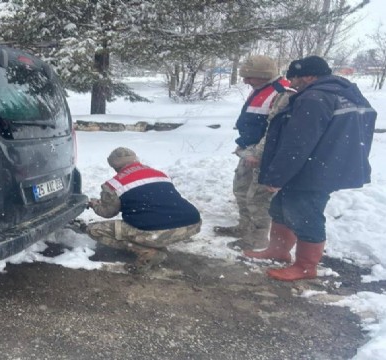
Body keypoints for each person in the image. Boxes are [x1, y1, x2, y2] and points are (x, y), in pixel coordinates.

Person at [245, 55, 377, 281]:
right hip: (329, 164)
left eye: (293, 78)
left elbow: (297, 143)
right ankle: (278, 251)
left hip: (312, 168)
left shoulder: (314, 98)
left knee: (305, 213)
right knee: (281, 207)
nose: (291, 83)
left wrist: (276, 176)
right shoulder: (347, 94)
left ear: (308, 76)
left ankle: (306, 267)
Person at [214, 55, 293, 250]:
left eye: (250, 77)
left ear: (264, 75)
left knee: (257, 198)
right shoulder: (261, 89)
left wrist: (257, 154)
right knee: (241, 190)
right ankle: (244, 227)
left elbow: (274, 130)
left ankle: (258, 238)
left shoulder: (282, 93)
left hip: (262, 155)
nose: (245, 81)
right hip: (248, 151)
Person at [85, 147, 202, 273]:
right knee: (154, 217)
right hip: (191, 224)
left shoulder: (114, 185)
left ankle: (148, 252)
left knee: (94, 230)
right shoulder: (159, 174)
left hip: (157, 231)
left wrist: (95, 204)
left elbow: (107, 212)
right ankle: (157, 241)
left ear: (114, 165)